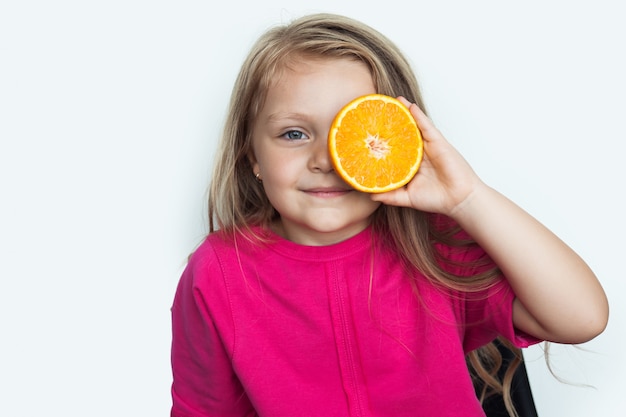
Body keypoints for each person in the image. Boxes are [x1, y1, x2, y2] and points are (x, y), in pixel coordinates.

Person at [170, 13, 608, 417]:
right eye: (294, 133)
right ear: (253, 158)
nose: (325, 159)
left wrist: (468, 199)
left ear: (400, 144)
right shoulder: (218, 273)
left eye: (357, 135)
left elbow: (582, 318)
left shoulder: (432, 248)